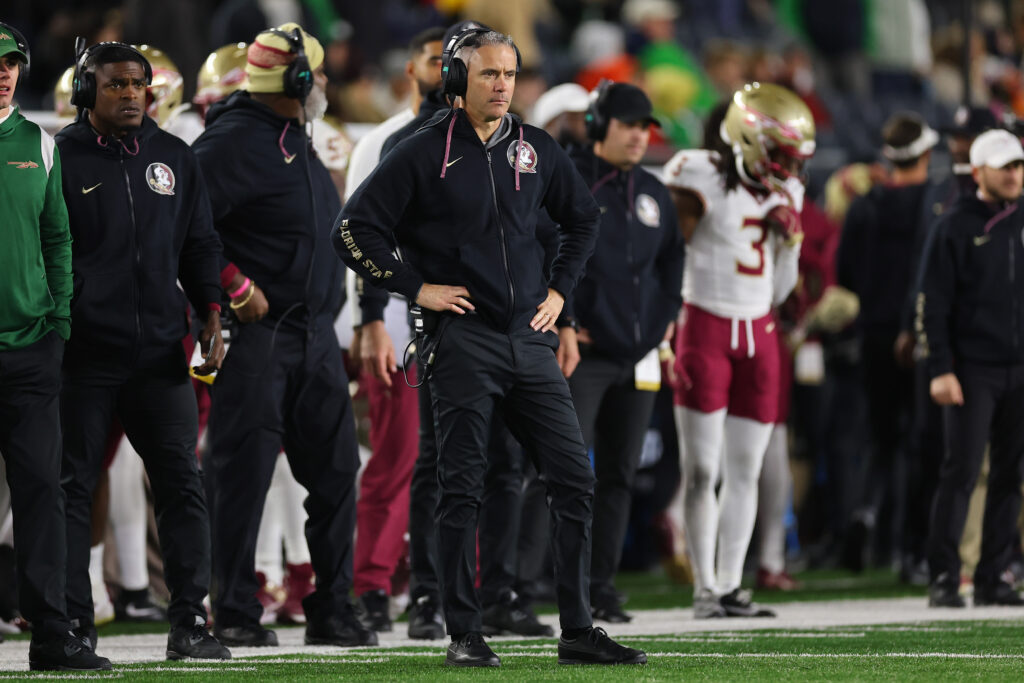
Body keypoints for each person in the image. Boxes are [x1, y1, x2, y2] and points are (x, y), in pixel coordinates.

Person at [334, 28, 645, 667]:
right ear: (456, 79)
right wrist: (417, 288)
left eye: (509, 73)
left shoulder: (535, 146)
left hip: (529, 339)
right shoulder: (418, 150)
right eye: (488, 74)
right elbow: (352, 233)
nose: (502, 84)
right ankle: (463, 632)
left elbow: (582, 220)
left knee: (573, 479)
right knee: (462, 487)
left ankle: (578, 628)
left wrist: (561, 295)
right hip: (462, 341)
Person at [192, 23, 375, 648]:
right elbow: (184, 229)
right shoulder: (230, 144)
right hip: (261, 338)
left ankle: (332, 607)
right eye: (316, 74)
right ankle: (237, 611)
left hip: (315, 335)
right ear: (297, 81)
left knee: (334, 475)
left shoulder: (295, 135)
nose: (323, 83)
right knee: (240, 476)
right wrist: (232, 284)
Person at [55, 40, 229, 661]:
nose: (131, 94)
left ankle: (190, 623)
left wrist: (211, 310)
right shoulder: (59, 159)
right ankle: (75, 624)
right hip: (83, 356)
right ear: (85, 92)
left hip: (160, 352)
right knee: (73, 488)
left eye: (138, 84)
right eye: (116, 85)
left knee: (182, 485)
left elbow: (202, 243)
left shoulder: (175, 157)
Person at [662, 82, 814, 619]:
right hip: (704, 324)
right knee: (703, 469)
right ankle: (704, 588)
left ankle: (729, 584)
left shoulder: (786, 192)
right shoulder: (696, 172)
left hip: (761, 335)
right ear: (746, 140)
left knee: (746, 471)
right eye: (781, 155)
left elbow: (777, 291)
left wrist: (790, 245)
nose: (788, 169)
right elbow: (664, 257)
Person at [0, 23, 111, 672]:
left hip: (32, 352)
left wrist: (58, 322)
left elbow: (57, 239)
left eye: (12, 62)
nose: (5, 72)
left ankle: (51, 634)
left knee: (43, 491)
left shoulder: (38, 145)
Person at [566, 81, 684, 622]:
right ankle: (538, 581)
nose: (639, 135)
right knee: (563, 471)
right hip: (583, 354)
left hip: (637, 357)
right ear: (598, 125)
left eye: (645, 127)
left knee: (618, 475)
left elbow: (671, 269)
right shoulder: (569, 181)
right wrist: (566, 321)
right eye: (628, 124)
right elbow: (549, 254)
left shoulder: (656, 194)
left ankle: (601, 586)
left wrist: (655, 331)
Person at [343, 26, 446, 635]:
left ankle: (446, 584)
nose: (445, 70)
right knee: (397, 458)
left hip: (453, 323)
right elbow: (358, 239)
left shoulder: (481, 139)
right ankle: (374, 584)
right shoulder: (381, 143)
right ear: (412, 68)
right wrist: (369, 326)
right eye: (437, 59)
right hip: (394, 325)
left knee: (456, 461)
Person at [918, 128, 1024, 609]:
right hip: (973, 367)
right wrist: (942, 367)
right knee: (960, 471)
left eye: (1018, 165)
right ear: (978, 171)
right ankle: (944, 574)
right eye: (1004, 166)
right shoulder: (954, 225)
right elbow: (932, 303)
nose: (1014, 174)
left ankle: (993, 575)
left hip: (1019, 366)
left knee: (1010, 472)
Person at [836, 112, 937, 572]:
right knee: (921, 440)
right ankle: (912, 547)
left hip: (873, 331)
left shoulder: (865, 204)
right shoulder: (933, 203)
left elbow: (845, 274)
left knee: (880, 438)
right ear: (926, 154)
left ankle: (866, 514)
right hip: (917, 331)